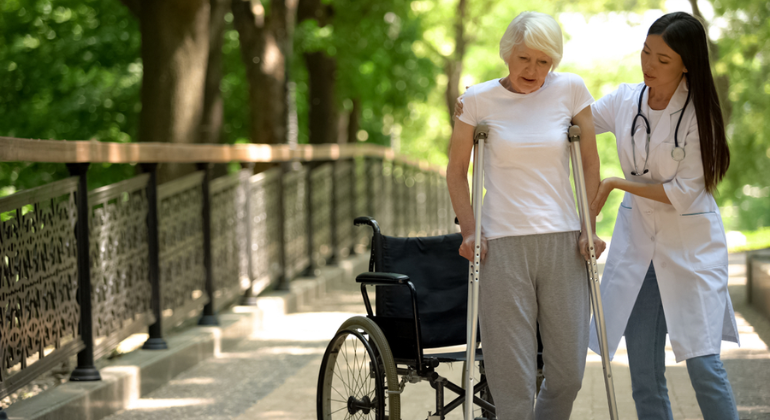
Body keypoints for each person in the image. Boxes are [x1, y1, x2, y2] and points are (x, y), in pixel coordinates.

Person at [446, 11, 605, 420]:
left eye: (544, 61)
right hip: (501, 246)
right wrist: (469, 231)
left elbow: (589, 164)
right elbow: (456, 170)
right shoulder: (477, 100)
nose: (533, 70)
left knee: (568, 374)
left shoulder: (571, 90)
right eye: (524, 59)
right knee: (511, 383)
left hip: (564, 243)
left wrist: (590, 227)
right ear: (507, 54)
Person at [588, 12, 740, 420]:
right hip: (639, 253)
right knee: (644, 375)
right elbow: (573, 117)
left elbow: (681, 193)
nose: (648, 64)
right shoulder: (625, 100)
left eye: (663, 59)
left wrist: (615, 184)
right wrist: (490, 99)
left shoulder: (698, 115)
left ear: (687, 64)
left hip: (691, 252)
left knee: (703, 364)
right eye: (645, 52)